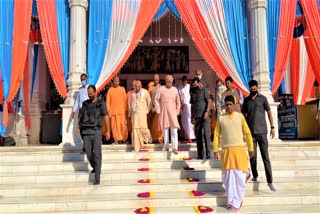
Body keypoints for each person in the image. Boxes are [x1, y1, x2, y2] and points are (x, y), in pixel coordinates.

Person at [213, 95, 254, 211]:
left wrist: (251, 147)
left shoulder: (240, 117)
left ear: (235, 105)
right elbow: (216, 135)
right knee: (228, 178)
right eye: (227, 105)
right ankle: (231, 201)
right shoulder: (221, 118)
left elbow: (247, 133)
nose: (228, 107)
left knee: (239, 177)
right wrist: (215, 149)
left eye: (230, 104)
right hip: (226, 151)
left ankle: (238, 201)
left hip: (239, 150)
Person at [242, 80, 276, 192]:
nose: (253, 90)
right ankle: (255, 175)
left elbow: (269, 112)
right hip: (251, 134)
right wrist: (243, 130)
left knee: (266, 157)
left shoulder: (263, 99)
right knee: (253, 157)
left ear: (257, 87)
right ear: (249, 88)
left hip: (262, 133)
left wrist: (272, 127)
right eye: (251, 89)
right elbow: (243, 116)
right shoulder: (246, 101)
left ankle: (270, 181)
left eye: (254, 88)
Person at [79, 85, 110, 185]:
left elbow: (106, 116)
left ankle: (97, 177)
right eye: (89, 94)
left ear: (96, 92)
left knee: (97, 154)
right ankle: (95, 166)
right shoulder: (85, 104)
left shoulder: (101, 103)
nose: (90, 95)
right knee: (88, 153)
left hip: (97, 131)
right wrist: (77, 127)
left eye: (92, 93)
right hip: (86, 132)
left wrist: (108, 130)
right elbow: (81, 117)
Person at [154, 75, 181, 154]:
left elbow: (178, 102)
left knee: (174, 130)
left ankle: (174, 148)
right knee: (165, 131)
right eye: (167, 81)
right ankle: (166, 147)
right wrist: (158, 110)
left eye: (170, 81)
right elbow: (156, 99)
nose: (169, 83)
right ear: (165, 81)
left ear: (172, 81)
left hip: (173, 113)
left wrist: (177, 111)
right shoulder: (161, 89)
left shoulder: (175, 90)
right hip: (164, 112)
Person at [190, 77, 212, 159]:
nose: (195, 86)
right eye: (193, 85)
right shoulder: (192, 93)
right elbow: (192, 105)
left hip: (205, 116)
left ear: (199, 83)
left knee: (206, 134)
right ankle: (200, 153)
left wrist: (207, 111)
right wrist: (192, 116)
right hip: (197, 117)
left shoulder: (204, 90)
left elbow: (209, 101)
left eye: (196, 84)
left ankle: (208, 152)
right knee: (198, 136)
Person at [129, 80, 152, 151]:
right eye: (136, 87)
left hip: (142, 115)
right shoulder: (131, 94)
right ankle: (137, 146)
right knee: (135, 130)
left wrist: (147, 111)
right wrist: (130, 114)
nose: (137, 88)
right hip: (134, 115)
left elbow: (150, 102)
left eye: (139, 86)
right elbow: (130, 104)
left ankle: (148, 140)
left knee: (144, 129)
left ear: (141, 86)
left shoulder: (145, 92)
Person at [106, 76, 128, 144]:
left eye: (118, 81)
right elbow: (108, 102)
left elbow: (125, 101)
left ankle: (123, 139)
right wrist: (108, 112)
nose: (116, 82)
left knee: (123, 127)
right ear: (113, 81)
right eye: (115, 81)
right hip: (113, 112)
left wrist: (125, 111)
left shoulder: (122, 89)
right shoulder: (110, 90)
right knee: (114, 127)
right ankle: (116, 140)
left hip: (121, 112)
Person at [178, 76, 195, 143]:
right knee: (183, 122)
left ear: (187, 81)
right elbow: (179, 97)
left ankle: (191, 137)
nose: (184, 82)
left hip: (189, 106)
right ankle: (186, 136)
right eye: (183, 81)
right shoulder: (179, 88)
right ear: (182, 81)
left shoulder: (189, 86)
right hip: (182, 106)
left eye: (185, 81)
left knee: (189, 122)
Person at [149, 74, 163, 143]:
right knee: (153, 125)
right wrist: (150, 108)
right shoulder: (151, 88)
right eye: (154, 80)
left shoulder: (161, 88)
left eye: (157, 80)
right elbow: (150, 99)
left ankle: (160, 138)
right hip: (153, 108)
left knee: (159, 124)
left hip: (159, 109)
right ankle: (154, 138)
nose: (155, 81)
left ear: (159, 79)